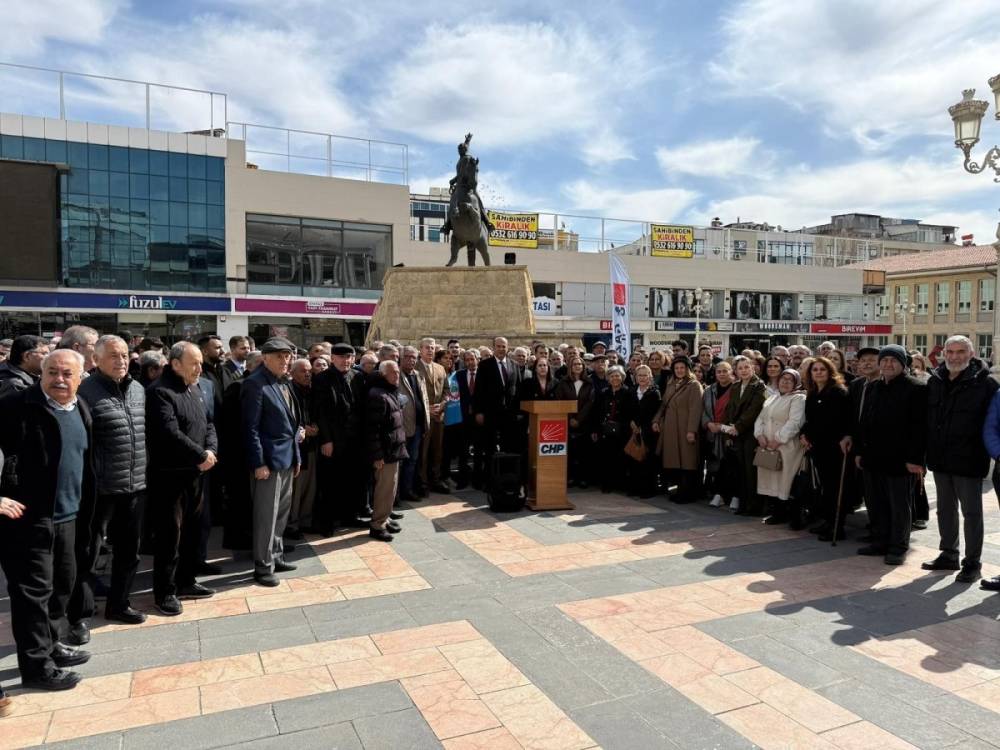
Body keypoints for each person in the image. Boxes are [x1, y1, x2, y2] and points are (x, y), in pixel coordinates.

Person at [0, 350, 94, 692]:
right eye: (52, 372)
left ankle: (52, 645)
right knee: (32, 595)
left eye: (68, 374)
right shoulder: (14, 406)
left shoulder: (80, 406)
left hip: (69, 515)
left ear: (81, 377)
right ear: (40, 373)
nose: (59, 379)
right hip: (29, 519)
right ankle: (37, 667)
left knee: (60, 586)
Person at [76, 336, 148, 628]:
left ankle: (119, 604)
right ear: (96, 360)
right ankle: (80, 613)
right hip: (99, 490)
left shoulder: (139, 390)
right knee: (87, 554)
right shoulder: (85, 391)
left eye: (124, 355)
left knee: (129, 552)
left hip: (134, 485)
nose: (121, 360)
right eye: (113, 356)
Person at [146, 342, 218, 616]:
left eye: (200, 362)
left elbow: (209, 423)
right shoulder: (160, 392)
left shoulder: (196, 387)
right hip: (169, 479)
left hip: (197, 474)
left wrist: (210, 450)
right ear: (175, 364)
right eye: (194, 363)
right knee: (169, 537)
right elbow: (169, 433)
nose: (200, 368)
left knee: (192, 531)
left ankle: (186, 581)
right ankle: (165, 592)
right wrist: (201, 454)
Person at [921, 336, 998, 583]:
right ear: (944, 353)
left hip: (969, 460)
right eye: (950, 352)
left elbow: (991, 423)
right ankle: (948, 554)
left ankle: (972, 564)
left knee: (972, 513)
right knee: (944, 510)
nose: (955, 357)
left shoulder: (985, 384)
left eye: (961, 352)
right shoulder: (935, 380)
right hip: (940, 459)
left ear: (971, 353)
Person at [854, 345, 926, 564]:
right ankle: (880, 541)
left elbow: (921, 428)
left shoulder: (916, 388)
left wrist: (916, 459)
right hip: (873, 457)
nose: (887, 364)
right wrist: (860, 451)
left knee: (899, 506)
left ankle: (897, 546)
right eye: (884, 360)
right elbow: (865, 422)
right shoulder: (875, 387)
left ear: (903, 364)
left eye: (893, 360)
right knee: (876, 503)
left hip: (900, 460)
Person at [242, 338, 301, 588]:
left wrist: (296, 456)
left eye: (287, 356)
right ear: (264, 358)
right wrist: (259, 463)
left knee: (281, 514)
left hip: (286, 458)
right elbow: (250, 428)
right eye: (279, 356)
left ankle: (276, 556)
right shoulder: (255, 384)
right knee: (266, 517)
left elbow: (291, 424)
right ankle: (263, 565)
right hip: (268, 462)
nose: (285, 361)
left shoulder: (283, 382)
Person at [312, 342, 366, 533]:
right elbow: (321, 413)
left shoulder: (357, 376)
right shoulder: (322, 380)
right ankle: (327, 522)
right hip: (333, 440)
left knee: (352, 481)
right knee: (330, 482)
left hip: (355, 440)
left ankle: (349, 517)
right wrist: (326, 440)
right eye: (342, 357)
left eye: (349, 357)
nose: (346, 361)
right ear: (333, 358)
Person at [800, 357, 851, 541]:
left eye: (823, 369)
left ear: (830, 372)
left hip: (834, 448)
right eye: (815, 370)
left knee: (835, 487)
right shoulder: (812, 393)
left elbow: (842, 420)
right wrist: (804, 434)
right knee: (825, 487)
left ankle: (837, 526)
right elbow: (810, 419)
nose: (819, 372)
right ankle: (828, 521)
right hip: (818, 448)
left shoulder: (838, 392)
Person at [754, 369, 807, 524]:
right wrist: (759, 435)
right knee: (771, 479)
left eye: (790, 380)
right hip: (768, 446)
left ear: (796, 382)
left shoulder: (798, 398)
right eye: (783, 378)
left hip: (786, 447)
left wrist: (778, 439)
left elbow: (795, 422)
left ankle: (792, 515)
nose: (785, 382)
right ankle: (777, 513)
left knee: (785, 480)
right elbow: (760, 418)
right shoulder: (773, 397)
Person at [365, 359, 408, 542]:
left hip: (394, 449)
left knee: (391, 489)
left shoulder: (389, 391)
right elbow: (371, 429)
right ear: (383, 374)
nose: (396, 375)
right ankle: (377, 525)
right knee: (384, 489)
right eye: (393, 372)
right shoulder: (378, 395)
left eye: (398, 372)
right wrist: (378, 455)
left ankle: (385, 517)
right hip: (385, 453)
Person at [721, 356, 767, 515]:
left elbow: (753, 410)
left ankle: (754, 506)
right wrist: (728, 432)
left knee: (750, 472)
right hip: (735, 434)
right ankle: (743, 504)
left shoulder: (759, 386)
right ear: (736, 371)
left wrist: (738, 427)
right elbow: (729, 411)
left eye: (747, 367)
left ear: (753, 368)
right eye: (740, 368)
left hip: (750, 434)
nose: (744, 370)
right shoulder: (735, 386)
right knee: (740, 471)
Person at [653, 357, 702, 503]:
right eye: (676, 368)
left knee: (687, 462)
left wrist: (691, 430)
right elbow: (664, 405)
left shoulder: (694, 385)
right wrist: (656, 420)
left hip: (685, 428)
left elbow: (695, 409)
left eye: (682, 367)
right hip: (671, 429)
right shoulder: (671, 384)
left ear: (688, 369)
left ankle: (688, 493)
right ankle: (680, 490)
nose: (679, 370)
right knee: (676, 462)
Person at [472, 336, 520, 467]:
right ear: (493, 348)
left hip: (509, 414)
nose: (501, 349)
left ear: (507, 347)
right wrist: (479, 412)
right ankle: (489, 480)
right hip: (490, 413)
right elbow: (479, 391)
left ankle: (505, 477)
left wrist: (518, 411)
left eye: (503, 346)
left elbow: (518, 389)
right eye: (498, 346)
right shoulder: (484, 365)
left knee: (508, 446)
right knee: (489, 447)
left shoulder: (514, 365)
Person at [287, 358, 319, 539]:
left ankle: (305, 521)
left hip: (312, 445)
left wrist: (316, 427)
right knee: (296, 489)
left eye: (309, 371)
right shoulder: (288, 390)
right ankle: (292, 524)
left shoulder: (312, 391)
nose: (307, 374)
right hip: (297, 447)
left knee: (310, 487)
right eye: (302, 371)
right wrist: (302, 428)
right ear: (292, 373)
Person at [593, 366, 636, 493]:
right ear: (608, 378)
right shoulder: (603, 392)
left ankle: (620, 484)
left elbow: (631, 413)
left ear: (622, 378)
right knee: (606, 458)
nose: (615, 378)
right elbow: (597, 412)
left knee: (621, 458)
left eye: (617, 376)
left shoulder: (628, 392)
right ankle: (607, 484)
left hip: (622, 431)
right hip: (605, 431)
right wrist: (596, 429)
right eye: (612, 376)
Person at [555, 357, 595, 489]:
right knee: (570, 453)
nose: (577, 366)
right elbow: (560, 401)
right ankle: (571, 477)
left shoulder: (589, 383)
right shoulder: (563, 382)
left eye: (580, 364)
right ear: (570, 367)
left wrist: (578, 419)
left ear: (583, 367)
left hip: (585, 423)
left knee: (584, 453)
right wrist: (571, 418)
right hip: (567, 422)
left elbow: (590, 403)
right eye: (574, 364)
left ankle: (583, 478)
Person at [417, 337, 450, 495]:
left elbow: (447, 391)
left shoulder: (440, 368)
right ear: (420, 350)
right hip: (423, 417)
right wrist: (426, 409)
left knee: (438, 450)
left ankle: (436, 480)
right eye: (427, 347)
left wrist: (443, 404)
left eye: (432, 348)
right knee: (423, 451)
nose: (430, 350)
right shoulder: (415, 367)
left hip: (439, 416)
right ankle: (422, 483)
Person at [398, 346, 431, 501]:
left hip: (418, 426)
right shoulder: (396, 375)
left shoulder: (418, 375)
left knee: (413, 460)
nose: (411, 360)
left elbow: (423, 399)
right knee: (400, 463)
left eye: (414, 357)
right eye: (408, 356)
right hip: (402, 427)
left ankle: (407, 490)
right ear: (401, 357)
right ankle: (395, 494)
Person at [703, 361, 735, 507]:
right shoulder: (709, 390)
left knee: (730, 466)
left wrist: (723, 427)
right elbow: (703, 410)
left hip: (730, 433)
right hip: (712, 433)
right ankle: (716, 493)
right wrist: (708, 424)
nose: (722, 374)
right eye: (719, 371)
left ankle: (730, 495)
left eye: (725, 371)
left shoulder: (737, 388)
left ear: (731, 372)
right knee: (715, 465)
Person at [455, 350, 482, 488]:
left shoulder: (484, 375)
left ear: (478, 359)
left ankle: (478, 480)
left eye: (473, 359)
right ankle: (462, 479)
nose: (470, 362)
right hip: (463, 417)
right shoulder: (459, 375)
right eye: (467, 360)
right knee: (463, 450)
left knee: (478, 450)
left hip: (479, 418)